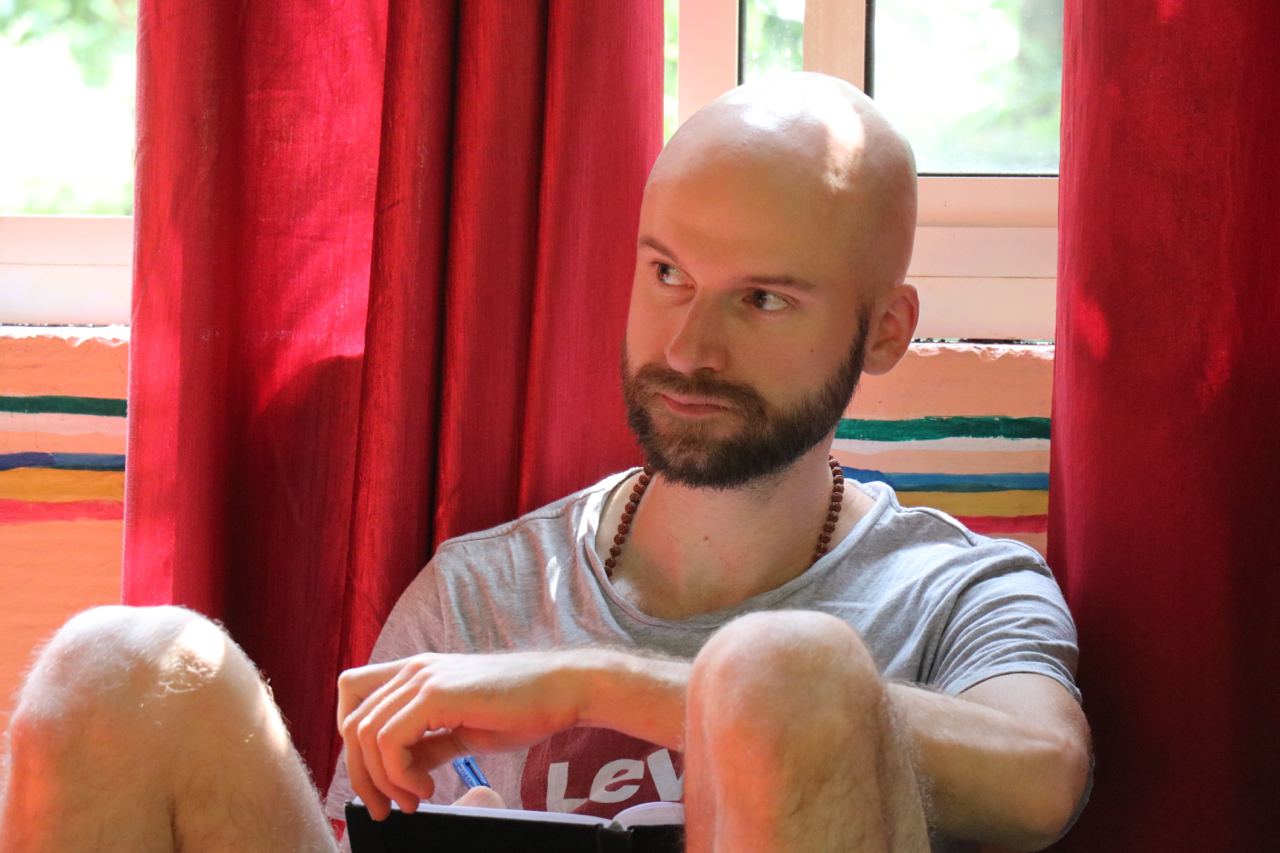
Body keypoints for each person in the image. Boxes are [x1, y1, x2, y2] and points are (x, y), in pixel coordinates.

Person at [0, 73, 1089, 853]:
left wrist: (591, 684)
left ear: (886, 330)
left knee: (783, 669)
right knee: (115, 665)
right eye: (667, 274)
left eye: (762, 299)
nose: (688, 349)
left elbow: (1043, 781)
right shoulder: (480, 592)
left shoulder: (957, 588)